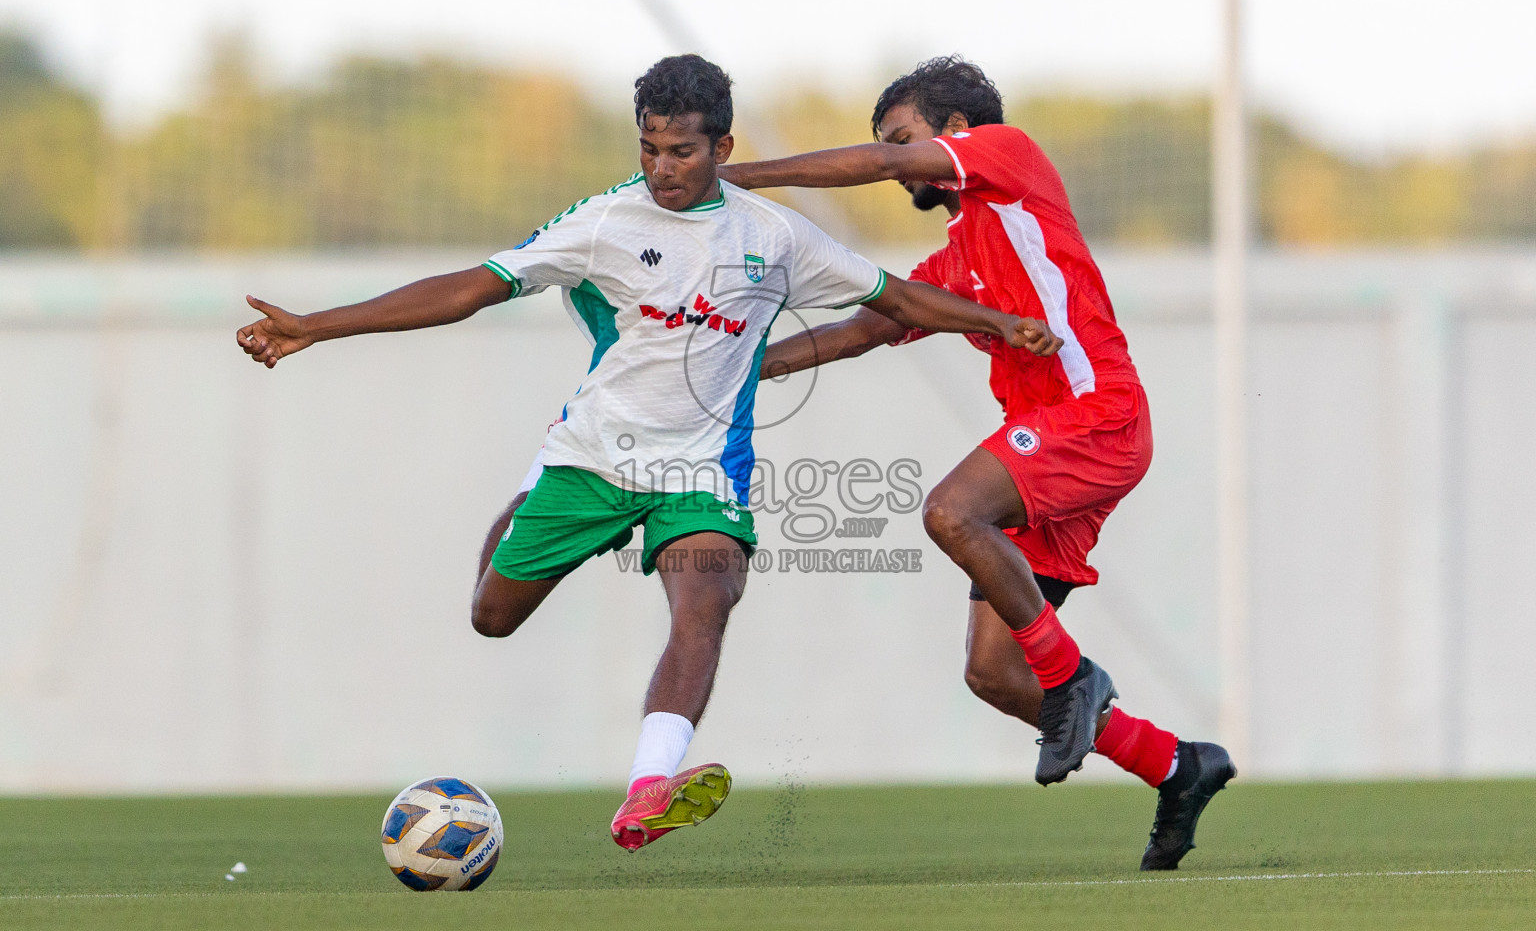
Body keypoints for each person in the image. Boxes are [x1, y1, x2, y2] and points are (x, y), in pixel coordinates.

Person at [236, 54, 1060, 853]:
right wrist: (317, 326)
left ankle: (647, 789)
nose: (662, 169)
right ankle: (529, 500)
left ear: (723, 150)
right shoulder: (604, 222)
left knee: (709, 599)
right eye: (649, 149)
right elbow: (468, 290)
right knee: (493, 617)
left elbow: (895, 295)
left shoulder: (774, 236)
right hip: (594, 457)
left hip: (701, 471)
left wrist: (996, 325)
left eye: (682, 151)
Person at [727, 56, 1235, 870]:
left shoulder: (1009, 154)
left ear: (955, 133)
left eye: (901, 137)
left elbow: (885, 167)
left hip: (1096, 414)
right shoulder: (957, 261)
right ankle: (1177, 767)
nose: (893, 161)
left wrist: (738, 175)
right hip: (1058, 449)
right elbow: (866, 328)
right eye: (888, 144)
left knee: (950, 511)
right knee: (995, 673)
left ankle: (1073, 677)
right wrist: (740, 368)